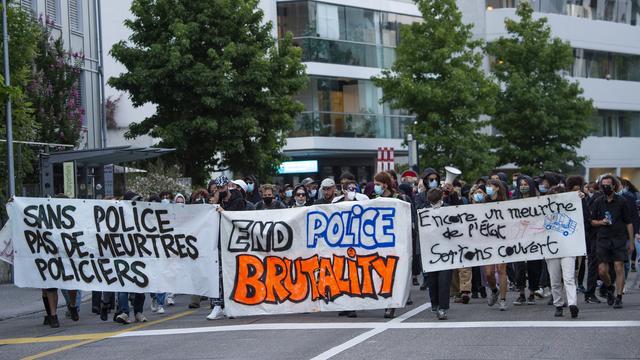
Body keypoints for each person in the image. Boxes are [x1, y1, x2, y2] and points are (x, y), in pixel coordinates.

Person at [590, 174, 635, 308]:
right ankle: (609, 288)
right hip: (603, 238)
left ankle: (619, 297)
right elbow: (591, 221)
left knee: (618, 267)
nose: (605, 187)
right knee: (602, 270)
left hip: (619, 239)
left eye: (608, 185)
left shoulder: (622, 201)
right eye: (603, 185)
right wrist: (600, 222)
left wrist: (631, 242)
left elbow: (629, 222)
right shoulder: (598, 201)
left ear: (614, 186)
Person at [372, 171, 412, 319]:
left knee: (393, 273)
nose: (375, 187)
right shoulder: (373, 200)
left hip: (396, 242)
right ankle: (386, 302)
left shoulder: (399, 198)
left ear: (385, 184)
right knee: (381, 274)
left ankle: (391, 305)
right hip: (377, 242)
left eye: (377, 184)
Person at [545, 185, 580, 318]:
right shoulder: (544, 211)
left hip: (568, 248)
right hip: (551, 249)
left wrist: (581, 198)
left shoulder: (572, 209)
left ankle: (572, 304)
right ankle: (558, 305)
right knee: (554, 280)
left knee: (569, 278)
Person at [419, 188, 453, 320]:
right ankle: (435, 304)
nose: (434, 204)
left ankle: (443, 307)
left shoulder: (449, 209)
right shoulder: (424, 211)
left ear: (441, 199)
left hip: (447, 251)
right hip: (430, 251)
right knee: (432, 280)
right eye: (432, 202)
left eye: (436, 201)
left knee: (444, 281)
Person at [511, 175, 541, 306]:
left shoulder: (538, 200)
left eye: (526, 184)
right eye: (521, 184)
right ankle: (521, 293)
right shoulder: (513, 201)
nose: (523, 187)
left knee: (534, 266)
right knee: (519, 266)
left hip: (534, 237)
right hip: (519, 238)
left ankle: (532, 293)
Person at [483, 179, 509, 311]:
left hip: (502, 240)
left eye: (490, 186)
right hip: (487, 240)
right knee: (488, 273)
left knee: (501, 270)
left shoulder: (505, 203)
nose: (488, 188)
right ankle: (494, 290)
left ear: (497, 188)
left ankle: (503, 299)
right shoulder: (483, 202)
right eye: (487, 186)